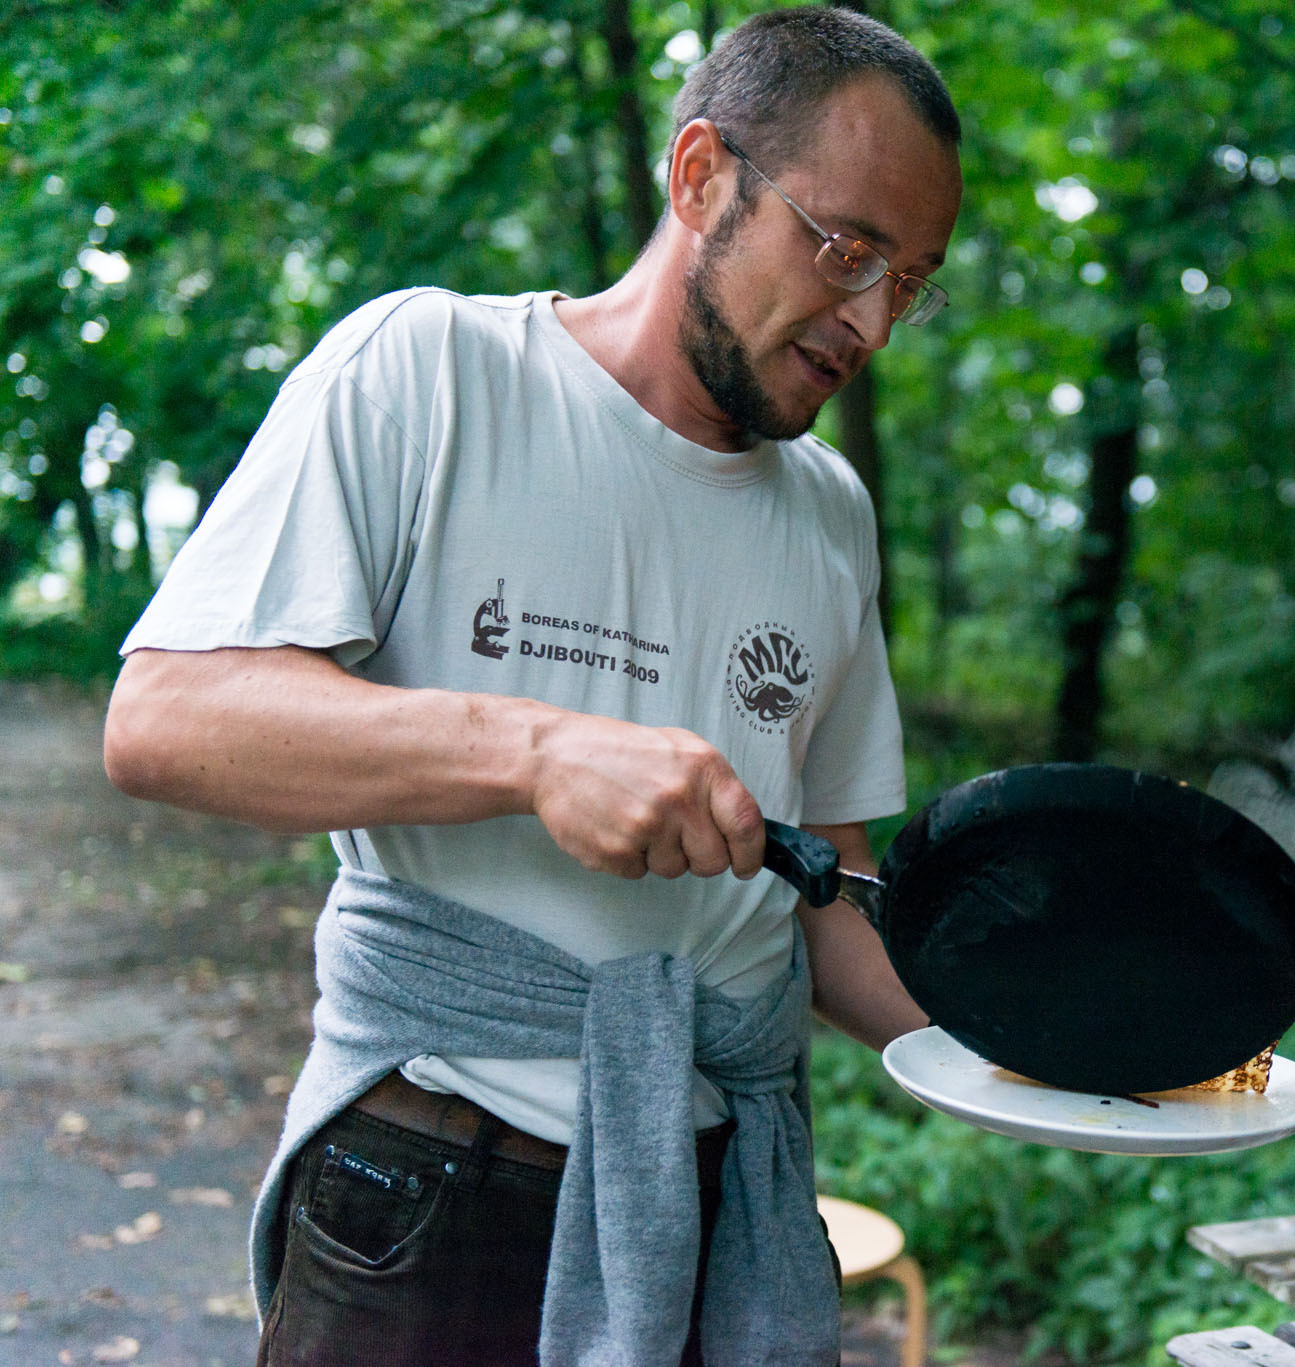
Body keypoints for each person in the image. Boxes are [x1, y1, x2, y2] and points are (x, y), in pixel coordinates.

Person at [101, 8, 962, 1364]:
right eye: (846, 248)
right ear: (700, 177)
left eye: (909, 282)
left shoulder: (831, 515)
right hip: (425, 1188)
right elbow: (165, 720)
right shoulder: (432, 372)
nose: (871, 319)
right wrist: (538, 752)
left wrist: (1042, 1047)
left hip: (712, 1198)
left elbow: (828, 898)